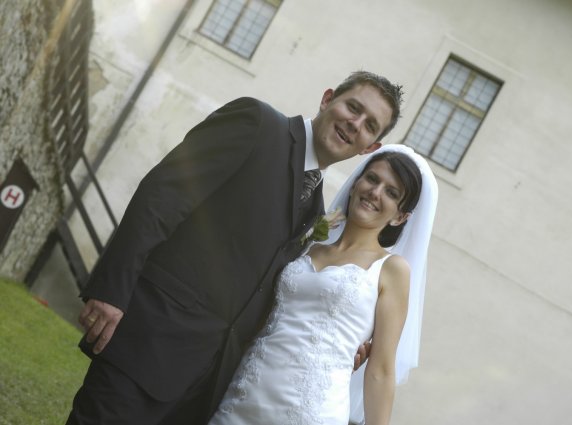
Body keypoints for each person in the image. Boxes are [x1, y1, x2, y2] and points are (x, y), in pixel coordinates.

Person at [65, 71, 403, 425]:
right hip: (148, 342)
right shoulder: (257, 124)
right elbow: (160, 197)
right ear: (327, 98)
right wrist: (112, 292)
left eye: (369, 125)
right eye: (353, 108)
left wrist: (326, 346)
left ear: (370, 147)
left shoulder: (316, 210)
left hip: (205, 386)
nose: (355, 124)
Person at [208, 144, 438, 425]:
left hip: (312, 412)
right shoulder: (309, 246)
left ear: (400, 217)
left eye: (391, 193)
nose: (375, 192)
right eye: (372, 179)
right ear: (355, 184)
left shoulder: (391, 270)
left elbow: (380, 370)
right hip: (244, 394)